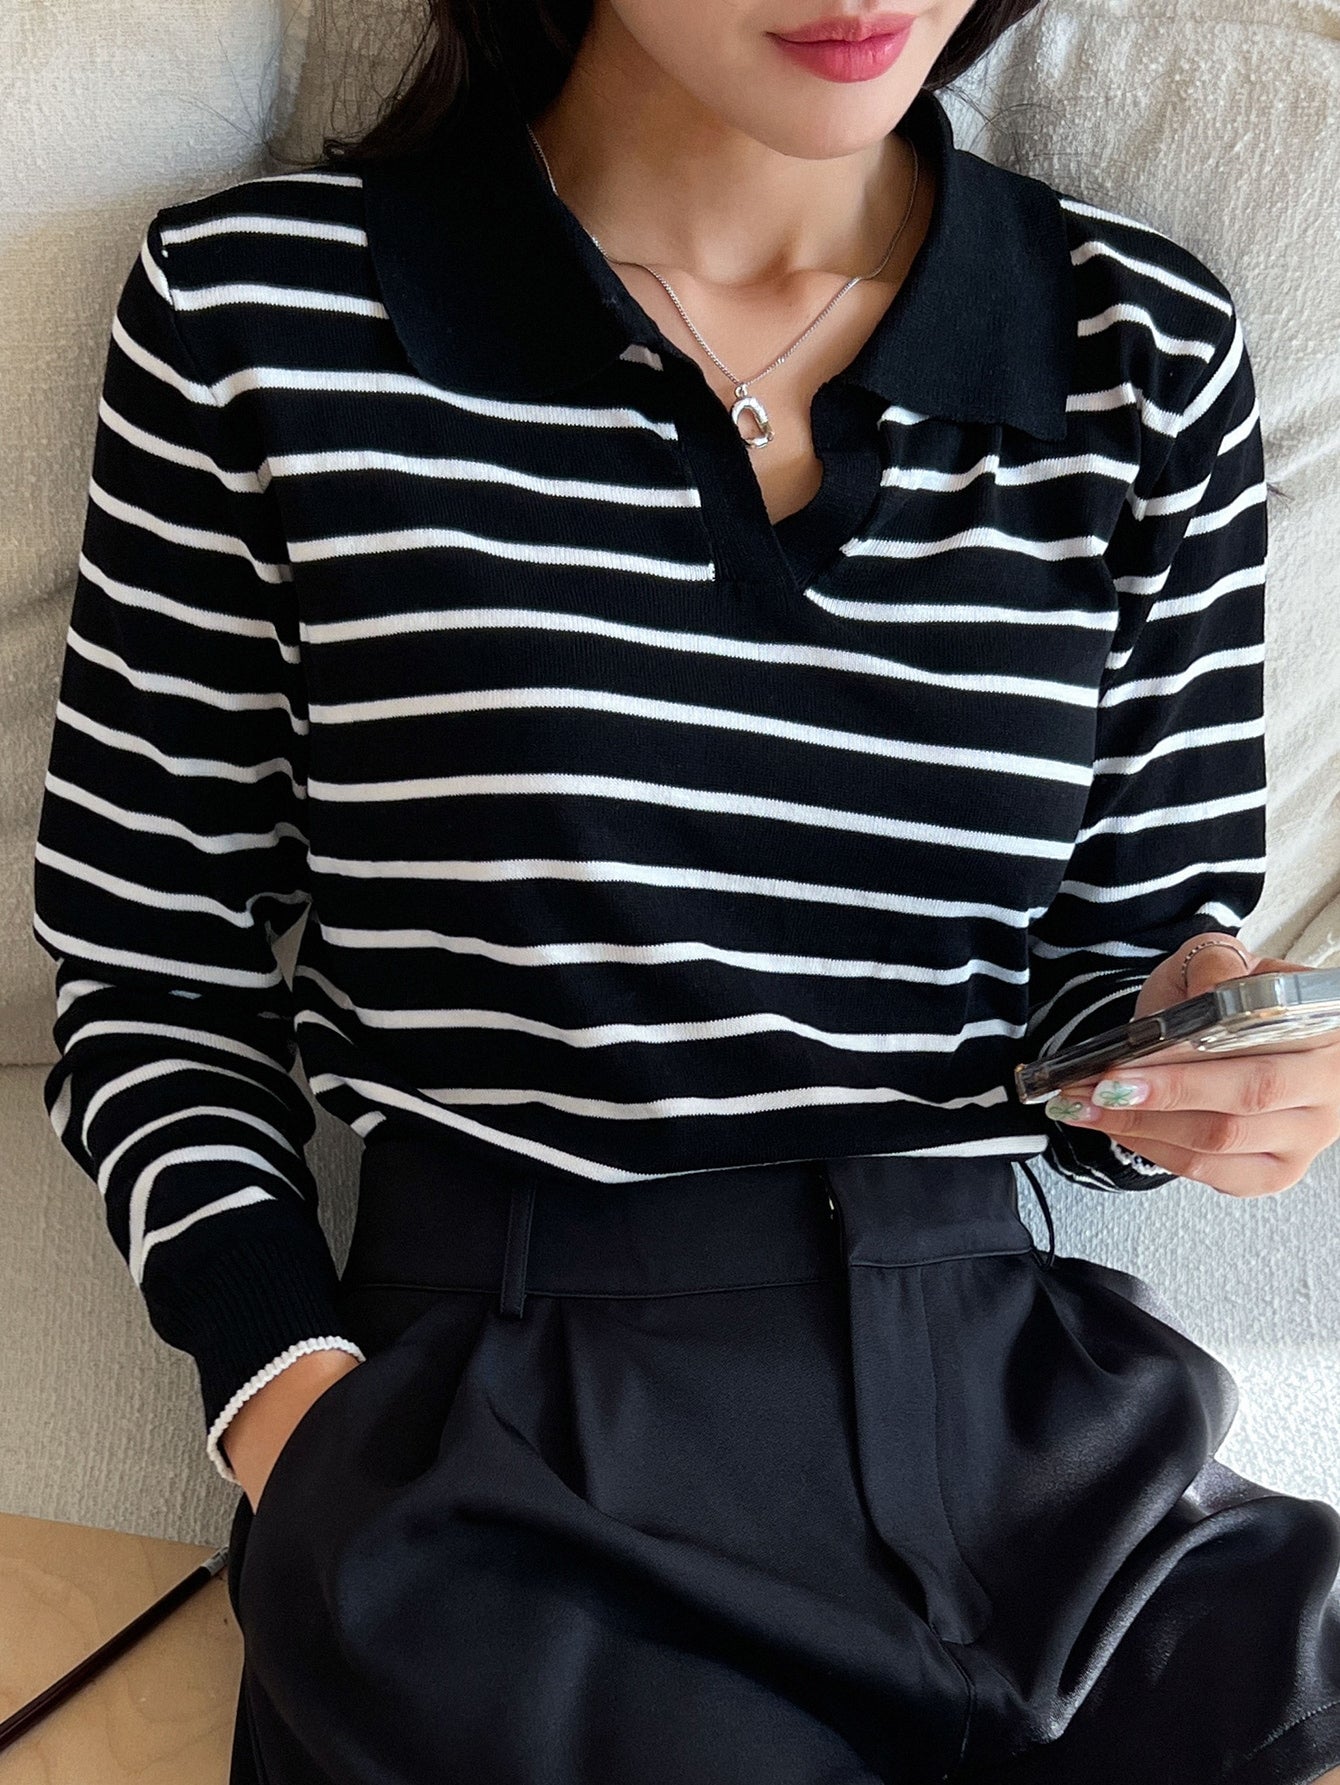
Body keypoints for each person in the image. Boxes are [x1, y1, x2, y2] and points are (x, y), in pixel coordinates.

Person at [30, 0, 1340, 1778]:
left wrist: (1202, 1070)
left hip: (1033, 1438)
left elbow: (1115, 1001)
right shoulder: (260, 312)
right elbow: (149, 966)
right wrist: (294, 1413)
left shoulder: (1144, 348)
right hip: (508, 1459)